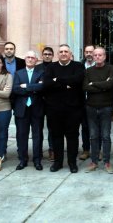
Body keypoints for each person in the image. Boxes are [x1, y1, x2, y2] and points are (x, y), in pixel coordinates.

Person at [43, 44, 84, 173]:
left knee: (72, 137)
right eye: (61, 51)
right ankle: (58, 163)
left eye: (66, 51)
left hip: (73, 109)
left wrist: (57, 80)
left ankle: (72, 163)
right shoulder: (51, 67)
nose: (63, 53)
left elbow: (77, 81)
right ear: (58, 54)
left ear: (70, 54)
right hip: (54, 109)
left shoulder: (78, 66)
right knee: (56, 136)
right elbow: (47, 84)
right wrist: (66, 84)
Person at [83, 47, 113, 174]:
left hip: (106, 107)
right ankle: (94, 162)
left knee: (106, 136)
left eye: (100, 55)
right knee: (93, 136)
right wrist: (102, 85)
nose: (97, 57)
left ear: (105, 56)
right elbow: (85, 87)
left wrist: (94, 84)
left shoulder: (111, 69)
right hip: (91, 107)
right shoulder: (88, 71)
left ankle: (107, 162)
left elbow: (110, 85)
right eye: (95, 55)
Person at [12, 50, 45, 171]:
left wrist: (26, 86)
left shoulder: (41, 73)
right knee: (21, 135)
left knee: (37, 135)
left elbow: (42, 87)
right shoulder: (18, 73)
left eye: (32, 57)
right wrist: (34, 88)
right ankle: (22, 160)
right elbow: (15, 89)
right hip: (22, 109)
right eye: (28, 57)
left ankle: (37, 160)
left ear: (36, 60)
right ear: (25, 59)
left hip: (37, 108)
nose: (30, 59)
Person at [36, 46, 55, 162]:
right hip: (38, 101)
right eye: (45, 54)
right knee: (38, 128)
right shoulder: (37, 68)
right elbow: (35, 83)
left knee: (52, 128)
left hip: (52, 101)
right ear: (42, 56)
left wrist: (44, 83)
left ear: (52, 56)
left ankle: (52, 150)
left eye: (49, 54)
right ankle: (38, 151)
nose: (47, 56)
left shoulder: (56, 67)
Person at [79, 45, 95, 161]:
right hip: (82, 101)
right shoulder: (79, 66)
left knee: (97, 127)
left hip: (96, 101)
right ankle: (86, 150)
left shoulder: (101, 65)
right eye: (87, 52)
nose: (89, 54)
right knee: (85, 127)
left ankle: (97, 150)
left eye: (91, 52)